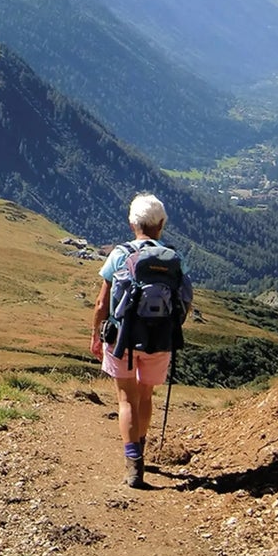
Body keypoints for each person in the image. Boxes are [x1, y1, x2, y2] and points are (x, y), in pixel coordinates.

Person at [89, 193, 189, 488]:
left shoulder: (119, 255)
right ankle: (141, 447)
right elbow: (185, 301)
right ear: (161, 224)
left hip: (122, 339)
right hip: (159, 340)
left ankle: (134, 466)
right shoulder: (173, 258)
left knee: (126, 400)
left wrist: (95, 334)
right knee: (145, 397)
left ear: (132, 223)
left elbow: (101, 304)